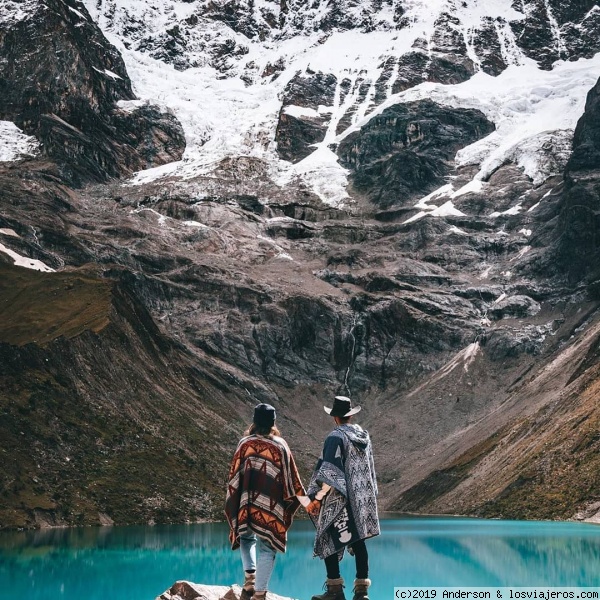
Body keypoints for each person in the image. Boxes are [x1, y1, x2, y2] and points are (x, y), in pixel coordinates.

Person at [225, 403, 306, 600]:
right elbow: (292, 479)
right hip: (272, 506)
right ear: (273, 423)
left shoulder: (244, 444)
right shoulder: (280, 446)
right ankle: (260, 593)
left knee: (245, 536)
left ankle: (250, 580)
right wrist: (303, 500)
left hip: (247, 502)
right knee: (268, 545)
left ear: (254, 421)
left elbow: (234, 476)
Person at [307, 396, 380, 600]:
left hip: (339, 500)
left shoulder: (335, 437)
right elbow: (370, 470)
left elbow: (329, 473)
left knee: (328, 536)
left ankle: (334, 590)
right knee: (358, 541)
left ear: (335, 417)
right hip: (361, 500)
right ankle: (362, 592)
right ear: (350, 415)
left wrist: (317, 499)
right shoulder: (363, 436)